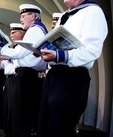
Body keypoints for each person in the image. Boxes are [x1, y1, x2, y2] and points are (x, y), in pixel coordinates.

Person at [38, 1, 108, 137]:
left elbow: (92, 51)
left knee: (60, 129)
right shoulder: (65, 14)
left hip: (71, 78)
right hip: (54, 76)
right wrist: (42, 50)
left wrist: (61, 55)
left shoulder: (93, 11)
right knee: (45, 127)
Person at [0, 4, 47, 137]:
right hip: (26, 75)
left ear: (33, 16)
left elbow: (19, 54)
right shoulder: (37, 29)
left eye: (24, 16)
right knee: (17, 114)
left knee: (20, 116)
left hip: (27, 76)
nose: (21, 19)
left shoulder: (35, 29)